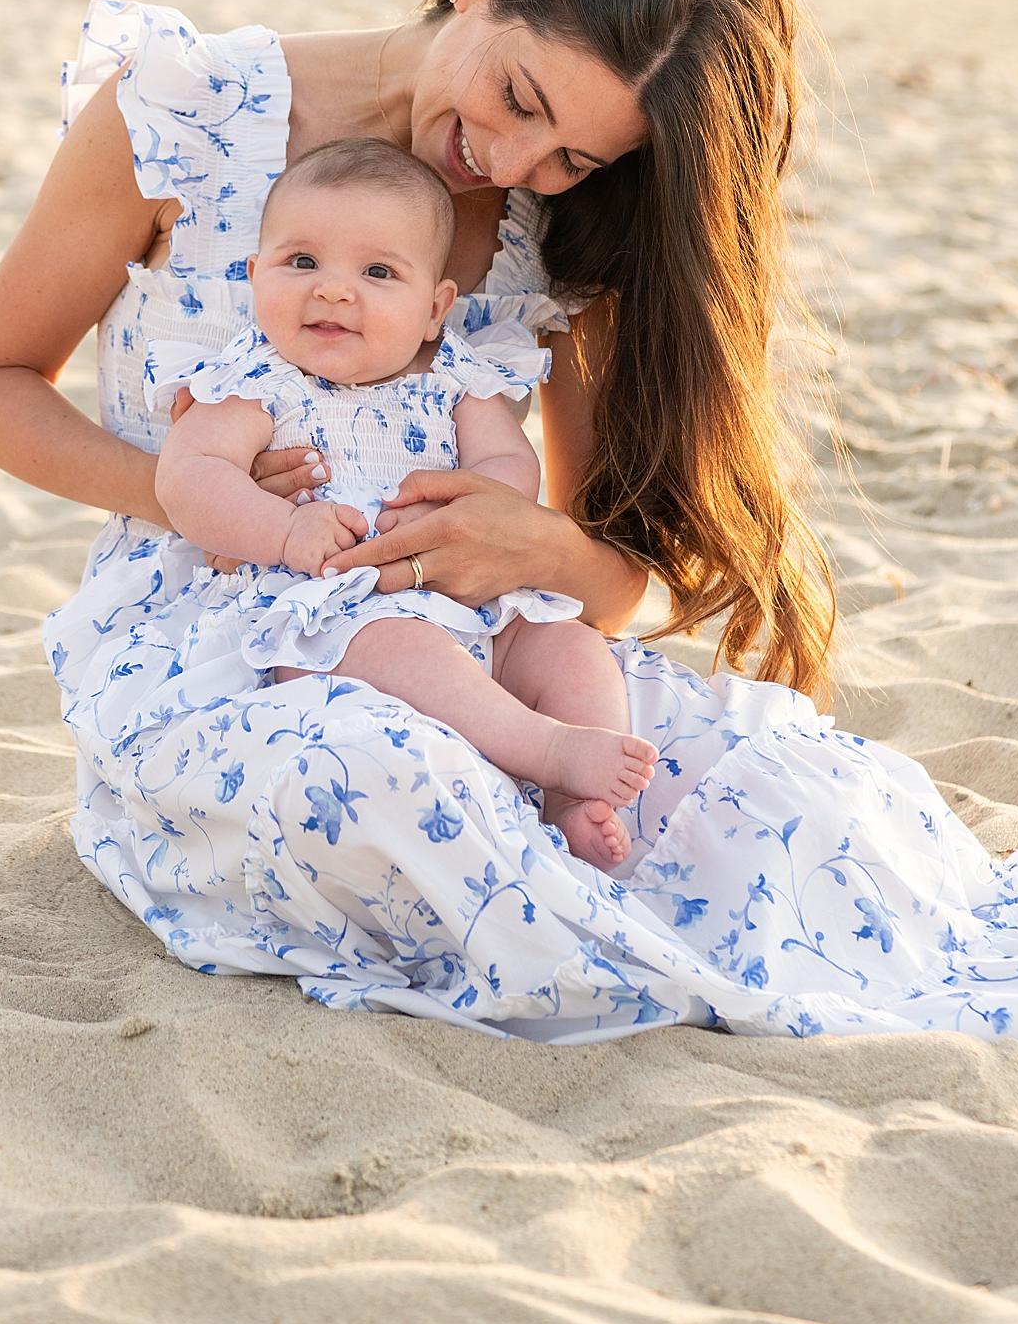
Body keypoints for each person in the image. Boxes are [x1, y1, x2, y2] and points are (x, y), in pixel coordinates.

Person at [0, 0, 1018, 1043]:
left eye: (569, 155)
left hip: (484, 637)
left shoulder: (562, 225)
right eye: (517, 99)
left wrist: (550, 549)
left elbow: (624, 581)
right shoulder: (181, 111)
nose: (506, 159)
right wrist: (198, 496)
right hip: (219, 635)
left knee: (785, 801)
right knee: (397, 780)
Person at [151, 135, 658, 871]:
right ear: (255, 277)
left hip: (465, 597)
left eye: (378, 271)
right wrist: (286, 530)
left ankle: (573, 805)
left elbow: (508, 464)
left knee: (570, 646)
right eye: (302, 263)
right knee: (403, 645)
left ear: (433, 307)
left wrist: (471, 510)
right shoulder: (260, 380)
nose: (332, 289)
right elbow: (190, 476)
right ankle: (546, 749)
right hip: (335, 620)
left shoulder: (455, 375)